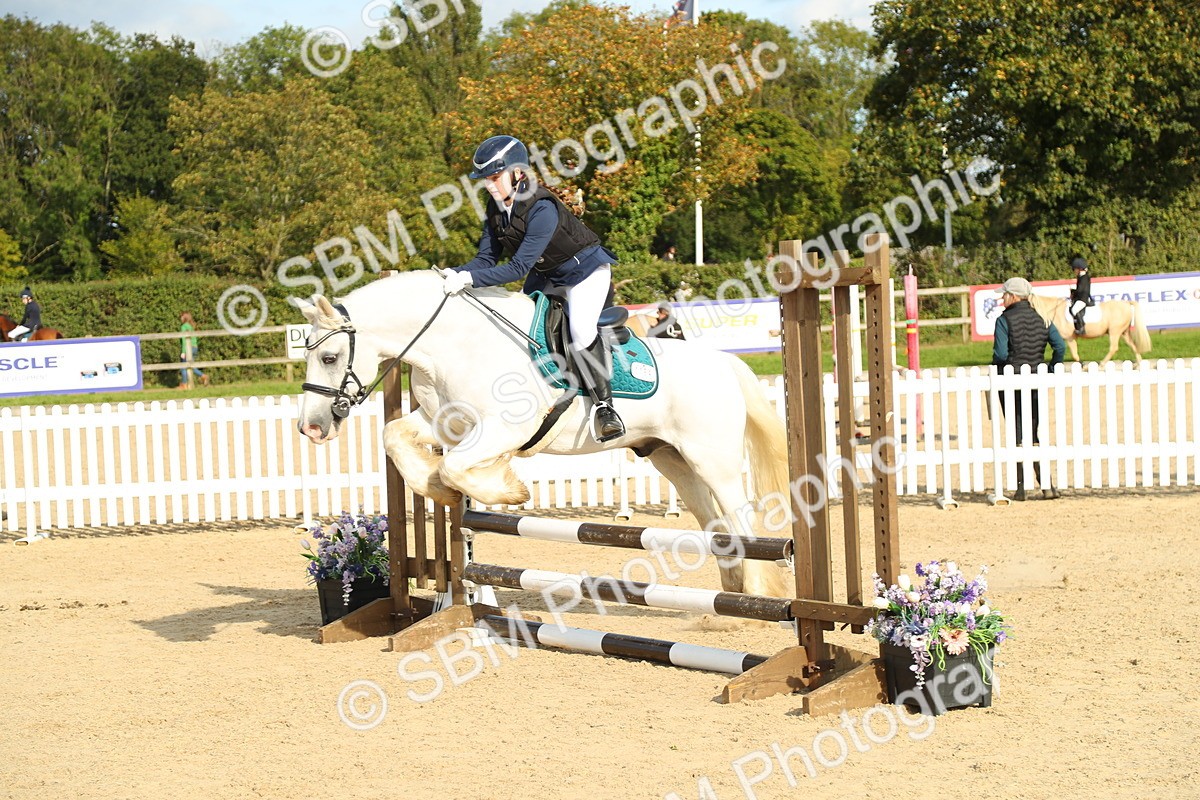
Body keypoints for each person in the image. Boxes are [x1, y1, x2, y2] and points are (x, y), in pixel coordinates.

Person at [442, 134, 625, 442]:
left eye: (495, 177)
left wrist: (468, 280)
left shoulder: (541, 208)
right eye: (486, 180)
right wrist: (452, 273)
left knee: (580, 330)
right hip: (549, 274)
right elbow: (486, 258)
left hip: (585, 271)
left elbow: (517, 268)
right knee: (519, 329)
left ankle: (605, 409)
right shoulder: (495, 208)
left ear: (518, 172)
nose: (490, 185)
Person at [992, 277, 1066, 501]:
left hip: (1011, 380)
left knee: (1016, 433)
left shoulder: (1004, 320)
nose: (1002, 298)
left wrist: (998, 370)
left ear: (1013, 296)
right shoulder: (1042, 316)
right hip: (1036, 380)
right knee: (1034, 432)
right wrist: (1051, 368)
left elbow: (1002, 354)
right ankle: (1047, 486)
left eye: (1004, 295)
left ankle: (1021, 488)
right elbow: (1060, 346)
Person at [179, 312, 209, 389]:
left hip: (188, 348)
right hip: (194, 347)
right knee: (190, 366)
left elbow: (184, 340)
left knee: (183, 366)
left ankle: (184, 384)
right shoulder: (190, 326)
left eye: (181, 317)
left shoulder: (184, 327)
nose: (180, 318)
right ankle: (203, 376)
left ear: (184, 318)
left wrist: (183, 351)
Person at [1069, 255, 1092, 335]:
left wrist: (1074, 292)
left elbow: (1081, 290)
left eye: (1075, 269)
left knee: (1074, 310)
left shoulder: (1084, 277)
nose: (1074, 271)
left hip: (1083, 298)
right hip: (1081, 297)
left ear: (1079, 268)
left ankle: (1082, 328)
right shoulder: (1081, 277)